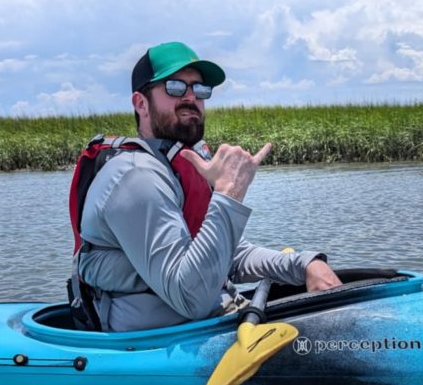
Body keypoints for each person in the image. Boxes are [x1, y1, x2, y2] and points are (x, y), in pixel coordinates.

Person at [78, 41, 342, 331]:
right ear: (141, 103)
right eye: (175, 87)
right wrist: (229, 193)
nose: (191, 97)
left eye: (200, 90)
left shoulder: (177, 165)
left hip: (211, 322)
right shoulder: (136, 177)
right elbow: (192, 298)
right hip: (159, 343)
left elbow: (226, 256)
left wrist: (305, 264)